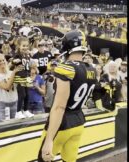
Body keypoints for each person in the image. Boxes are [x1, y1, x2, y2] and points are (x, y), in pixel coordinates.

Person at [37, 30, 96, 162]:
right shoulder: (91, 68)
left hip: (63, 123)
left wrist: (49, 140)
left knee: (43, 158)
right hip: (79, 121)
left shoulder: (66, 68)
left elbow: (59, 107)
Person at [0, 54, 24, 122]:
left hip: (15, 103)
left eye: (3, 60)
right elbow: (6, 87)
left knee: (15, 127)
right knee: (2, 128)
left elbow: (22, 84)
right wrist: (14, 72)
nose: (2, 62)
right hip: (2, 105)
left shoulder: (11, 72)